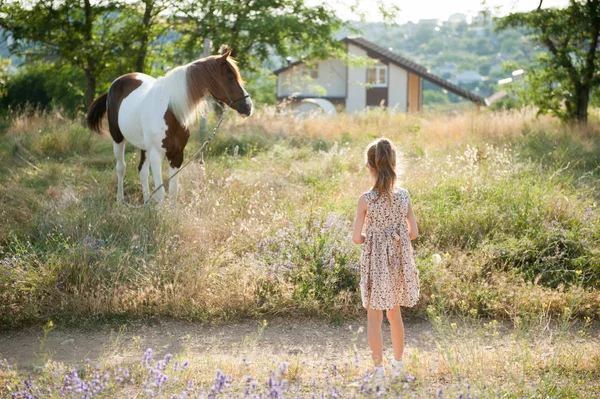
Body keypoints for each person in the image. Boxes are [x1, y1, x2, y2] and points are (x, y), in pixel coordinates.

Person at [352, 137, 420, 379]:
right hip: (397, 263)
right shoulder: (404, 196)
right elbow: (413, 233)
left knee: (374, 316)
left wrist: (373, 235)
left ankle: (379, 372)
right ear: (394, 164)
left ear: (370, 167)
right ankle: (399, 368)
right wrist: (395, 234)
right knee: (395, 314)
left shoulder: (365, 200)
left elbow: (357, 239)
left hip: (375, 264)